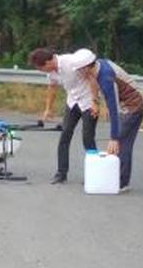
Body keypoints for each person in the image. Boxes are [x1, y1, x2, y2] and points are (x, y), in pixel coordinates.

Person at [29, 47, 99, 184]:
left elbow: (92, 78)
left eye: (41, 68)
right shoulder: (51, 73)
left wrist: (95, 102)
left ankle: (95, 173)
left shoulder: (72, 62)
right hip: (72, 102)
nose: (42, 71)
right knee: (65, 135)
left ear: (48, 62)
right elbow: (52, 88)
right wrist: (48, 109)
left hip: (88, 101)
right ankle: (61, 173)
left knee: (88, 137)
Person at [78, 56, 143, 191]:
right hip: (126, 103)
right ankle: (118, 179)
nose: (78, 72)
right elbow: (96, 84)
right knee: (122, 141)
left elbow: (114, 109)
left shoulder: (106, 77)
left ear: (86, 67)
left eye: (79, 69)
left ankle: (122, 182)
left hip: (134, 104)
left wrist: (113, 138)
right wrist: (99, 103)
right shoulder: (98, 65)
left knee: (121, 141)